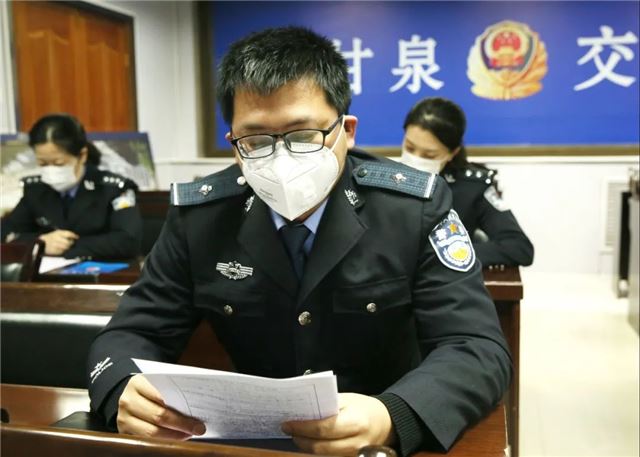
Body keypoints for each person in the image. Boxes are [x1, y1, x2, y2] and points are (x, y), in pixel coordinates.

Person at [87, 27, 511, 456]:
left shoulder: (412, 208)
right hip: (254, 445)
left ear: (346, 131)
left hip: (377, 444)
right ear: (234, 144)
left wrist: (392, 415)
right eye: (256, 140)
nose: (281, 158)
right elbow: (130, 333)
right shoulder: (202, 217)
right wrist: (122, 387)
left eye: (304, 135)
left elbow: (476, 348)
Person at [400, 97, 534, 267]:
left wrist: (449, 254)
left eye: (429, 155)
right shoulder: (383, 176)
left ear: (452, 153)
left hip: (442, 278)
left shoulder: (473, 187)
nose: (415, 159)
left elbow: (519, 248)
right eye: (410, 148)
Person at [1, 114, 142, 260]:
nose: (50, 170)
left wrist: (67, 245)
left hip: (101, 269)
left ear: (82, 155)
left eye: (58, 163)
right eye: (43, 163)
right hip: (48, 271)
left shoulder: (114, 188)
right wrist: (40, 242)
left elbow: (128, 241)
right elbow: (6, 233)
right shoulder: (36, 189)